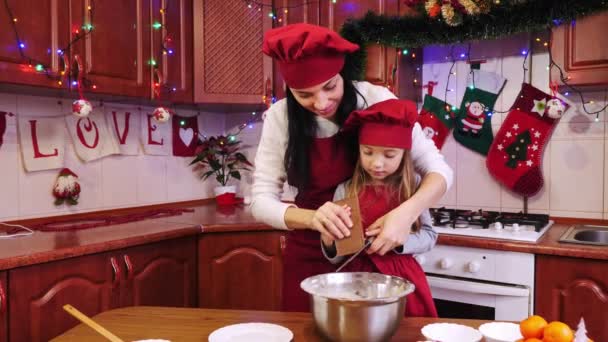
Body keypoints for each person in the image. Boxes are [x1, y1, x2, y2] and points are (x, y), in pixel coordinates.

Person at [252, 23, 453, 312]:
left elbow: (440, 171)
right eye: (304, 94)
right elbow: (260, 201)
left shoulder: (376, 98)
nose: (320, 103)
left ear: (342, 74)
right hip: (312, 256)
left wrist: (404, 215)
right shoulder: (280, 117)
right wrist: (313, 219)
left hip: (380, 263)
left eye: (330, 86)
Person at [320, 99, 438, 317]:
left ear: (404, 154)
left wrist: (402, 242)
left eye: (389, 155)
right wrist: (329, 243)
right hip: (354, 281)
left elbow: (430, 236)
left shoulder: (414, 188)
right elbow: (338, 255)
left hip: (401, 282)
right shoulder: (345, 189)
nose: (377, 163)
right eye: (368, 152)